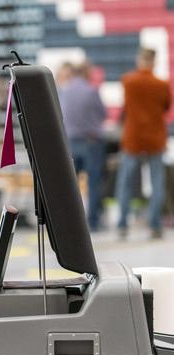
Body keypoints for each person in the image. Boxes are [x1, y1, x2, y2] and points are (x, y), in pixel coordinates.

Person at [115, 48, 171, 239]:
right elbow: (165, 107)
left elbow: (126, 107)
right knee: (157, 183)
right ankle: (155, 225)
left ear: (139, 60)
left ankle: (122, 224)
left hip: (133, 139)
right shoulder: (162, 84)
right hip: (155, 138)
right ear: (154, 62)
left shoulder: (128, 81)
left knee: (126, 183)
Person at [58, 62, 106, 231]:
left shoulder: (64, 91)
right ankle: (92, 221)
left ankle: (69, 221)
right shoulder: (91, 91)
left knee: (70, 184)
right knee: (93, 183)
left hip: (70, 142)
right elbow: (102, 113)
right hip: (91, 142)